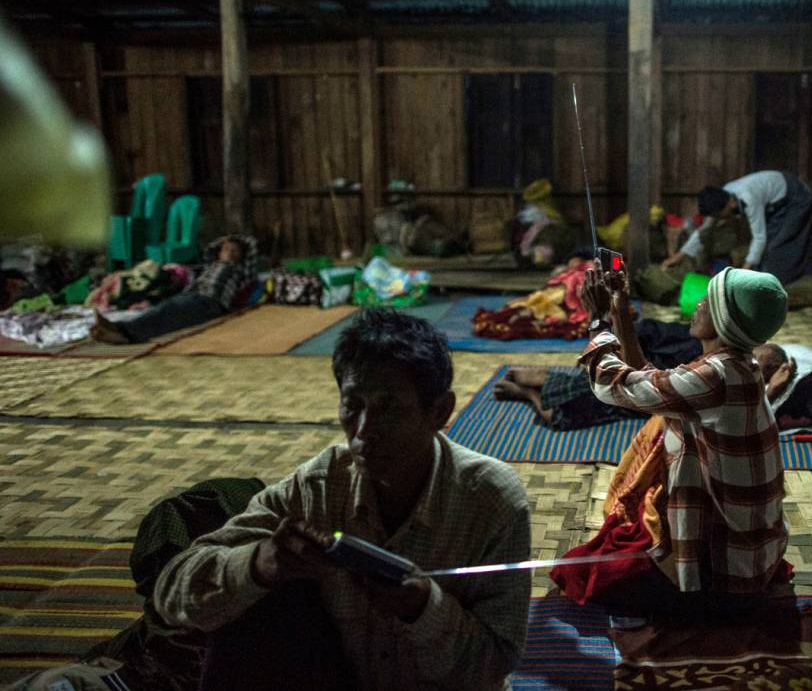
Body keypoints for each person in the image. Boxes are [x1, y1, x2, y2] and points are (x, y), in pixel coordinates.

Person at [151, 310, 531, 690]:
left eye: (388, 407)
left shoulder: (491, 500)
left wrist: (423, 608)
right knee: (258, 600)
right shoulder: (318, 485)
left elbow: (493, 662)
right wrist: (258, 564)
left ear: (439, 411)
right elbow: (172, 592)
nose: (363, 432)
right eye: (352, 405)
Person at [552, 263, 791, 621]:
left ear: (726, 319)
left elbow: (612, 384)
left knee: (576, 573)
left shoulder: (715, 376)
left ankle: (699, 605)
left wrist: (599, 321)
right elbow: (649, 379)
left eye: (707, 302)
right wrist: (620, 310)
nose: (697, 304)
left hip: (723, 577)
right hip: (748, 558)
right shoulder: (740, 366)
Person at [495, 336, 812, 434]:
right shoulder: (723, 372)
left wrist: (772, 391)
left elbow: (754, 422)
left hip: (641, 402)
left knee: (555, 414)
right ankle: (540, 381)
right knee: (605, 385)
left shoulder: (750, 395)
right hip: (649, 392)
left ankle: (529, 390)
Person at [91, 235, 257, 344]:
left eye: (235, 251)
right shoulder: (212, 264)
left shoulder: (241, 270)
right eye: (227, 249)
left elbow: (252, 245)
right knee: (164, 307)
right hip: (193, 294)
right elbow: (209, 249)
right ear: (220, 253)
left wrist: (235, 241)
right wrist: (224, 240)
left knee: (170, 311)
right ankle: (119, 328)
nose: (230, 253)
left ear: (241, 256)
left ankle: (125, 334)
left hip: (211, 302)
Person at [661, 171, 812, 284]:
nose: (720, 219)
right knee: (769, 247)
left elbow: (759, 238)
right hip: (777, 202)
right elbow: (704, 230)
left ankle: (788, 285)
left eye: (720, 215)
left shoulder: (749, 198)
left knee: (777, 246)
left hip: (796, 196)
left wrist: (743, 272)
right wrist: (677, 257)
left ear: (731, 204)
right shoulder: (724, 196)